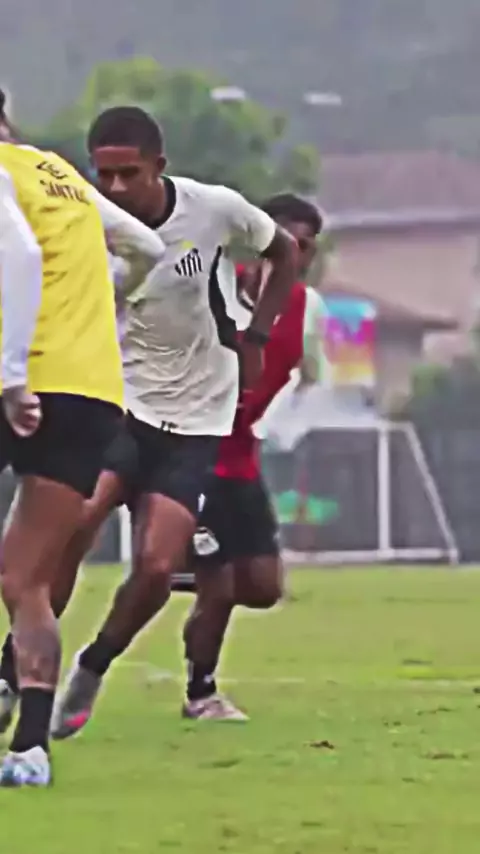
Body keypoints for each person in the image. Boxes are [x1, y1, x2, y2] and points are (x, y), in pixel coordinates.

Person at [0, 105, 295, 741]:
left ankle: (93, 665)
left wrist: (258, 336)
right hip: (125, 399)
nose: (114, 188)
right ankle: (13, 674)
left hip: (197, 414)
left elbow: (285, 250)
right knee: (70, 527)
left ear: (159, 166)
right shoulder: (86, 215)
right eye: (103, 174)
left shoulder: (215, 209)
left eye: (128, 174)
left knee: (159, 565)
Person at [0, 92, 165, 786]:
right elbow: (147, 247)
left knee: (21, 573)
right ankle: (30, 748)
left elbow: (18, 254)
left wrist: (13, 377)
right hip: (92, 390)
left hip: (25, 383)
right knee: (25, 578)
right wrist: (108, 299)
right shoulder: (58, 173)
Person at [181, 194, 325, 720]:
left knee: (263, 589)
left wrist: (277, 426)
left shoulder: (308, 310)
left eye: (303, 246)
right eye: (282, 240)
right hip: (192, 455)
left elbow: (310, 379)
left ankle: (179, 572)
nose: (291, 253)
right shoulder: (213, 289)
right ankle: (201, 693)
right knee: (218, 587)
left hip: (242, 462)